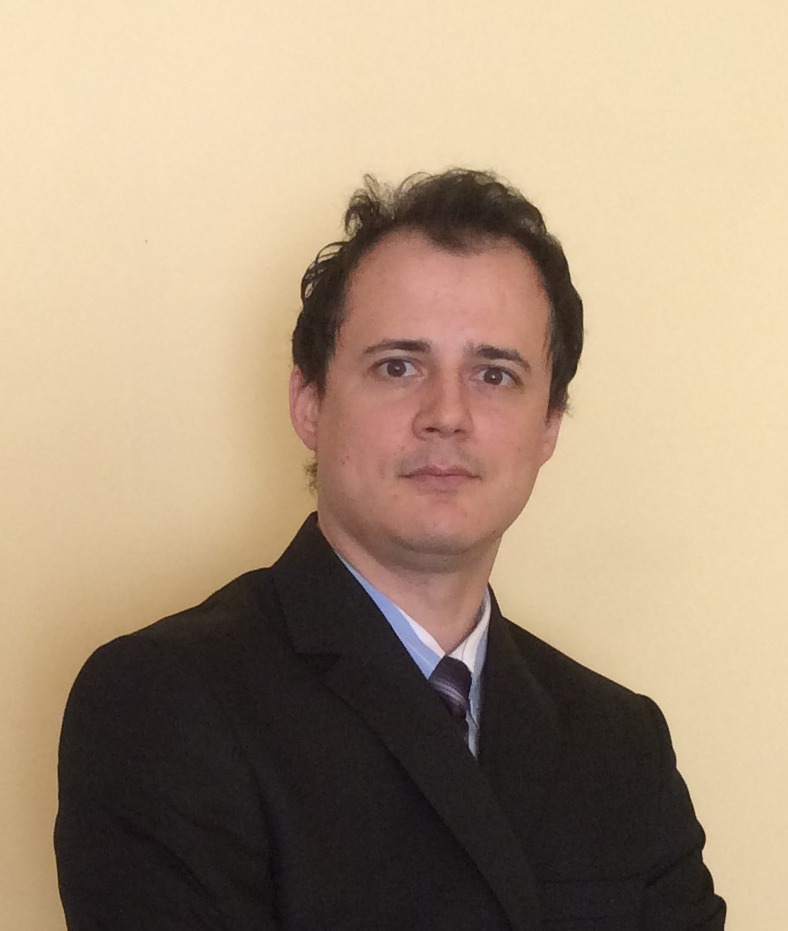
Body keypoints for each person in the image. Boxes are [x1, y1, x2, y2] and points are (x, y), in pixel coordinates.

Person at [55, 169, 726, 930]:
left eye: (495, 374)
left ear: (548, 425)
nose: (447, 413)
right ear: (310, 403)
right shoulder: (164, 700)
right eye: (398, 366)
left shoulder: (620, 742)